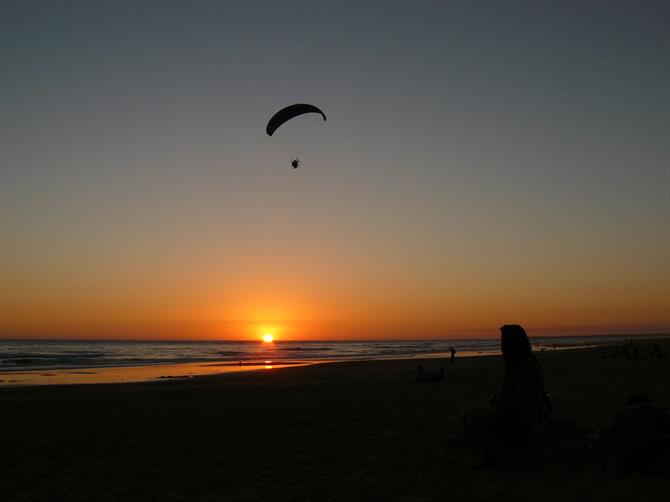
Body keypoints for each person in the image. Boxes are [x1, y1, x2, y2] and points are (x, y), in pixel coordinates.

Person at [461, 325, 550, 465]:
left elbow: (522, 399)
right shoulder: (516, 365)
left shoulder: (527, 366)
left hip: (525, 414)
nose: (501, 344)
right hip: (513, 411)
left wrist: (499, 400)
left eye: (504, 341)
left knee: (474, 419)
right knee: (466, 415)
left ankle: (494, 456)